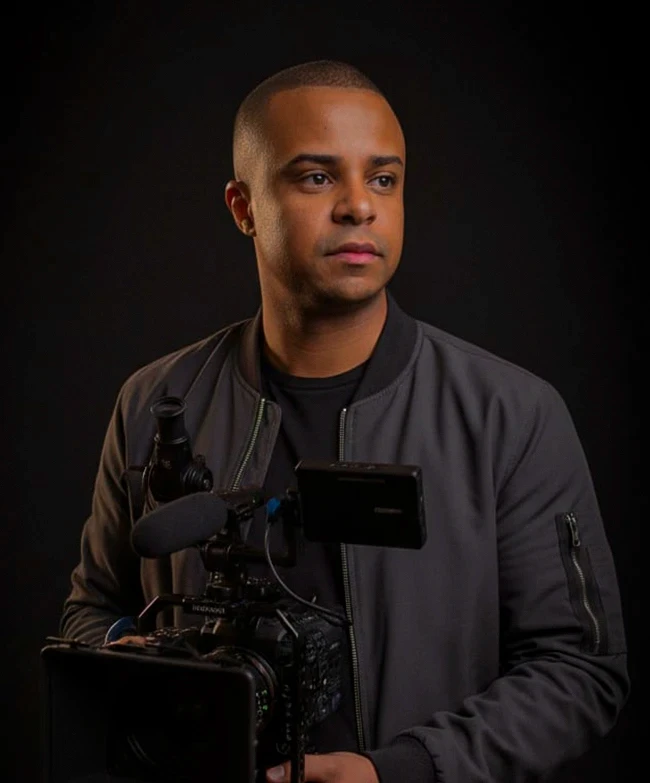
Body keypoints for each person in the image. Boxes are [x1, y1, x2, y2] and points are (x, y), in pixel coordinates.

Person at [59, 60, 630, 783]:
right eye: (317, 177)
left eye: (383, 179)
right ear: (243, 207)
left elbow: (580, 669)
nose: (359, 206)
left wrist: (400, 770)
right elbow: (92, 611)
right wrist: (131, 655)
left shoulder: (512, 416)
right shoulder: (154, 401)